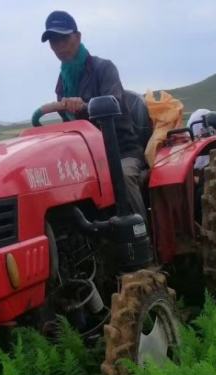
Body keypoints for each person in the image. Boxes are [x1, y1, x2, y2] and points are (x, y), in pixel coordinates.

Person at [35, 10, 148, 219]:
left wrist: (85, 105)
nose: (58, 46)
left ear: (77, 37)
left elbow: (113, 105)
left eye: (63, 38)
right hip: (88, 159)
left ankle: (141, 239)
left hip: (121, 151)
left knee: (121, 176)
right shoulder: (62, 84)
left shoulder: (104, 69)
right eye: (53, 41)